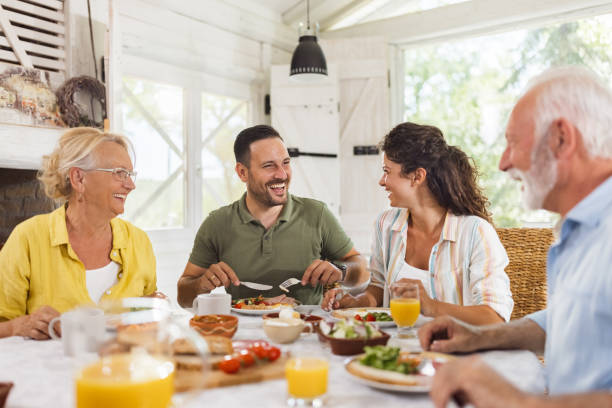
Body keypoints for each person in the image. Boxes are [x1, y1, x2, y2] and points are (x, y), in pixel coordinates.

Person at [420, 66, 612, 407]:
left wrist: (522, 403)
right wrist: (479, 336)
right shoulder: (581, 229)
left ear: (561, 139)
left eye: (512, 142)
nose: (503, 163)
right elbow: (571, 322)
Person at [323, 122, 513, 326]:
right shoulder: (385, 225)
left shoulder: (476, 232)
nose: (382, 181)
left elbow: (495, 317)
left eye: (387, 171)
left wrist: (431, 306)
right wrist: (356, 302)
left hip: (455, 352)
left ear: (417, 176)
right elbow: (378, 288)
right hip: (396, 347)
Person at [177, 125, 368, 307]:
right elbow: (183, 298)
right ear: (242, 173)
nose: (282, 174)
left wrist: (341, 271)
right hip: (242, 334)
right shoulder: (217, 224)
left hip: (307, 329)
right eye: (269, 166)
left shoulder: (317, 214)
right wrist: (202, 283)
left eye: (286, 163)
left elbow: (363, 270)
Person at [0, 127, 158, 340]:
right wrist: (18, 326)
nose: (131, 185)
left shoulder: (139, 241)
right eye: (120, 173)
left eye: (130, 174)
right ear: (79, 179)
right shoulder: (28, 238)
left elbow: (147, 312)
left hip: (122, 369)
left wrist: (154, 308)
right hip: (49, 372)